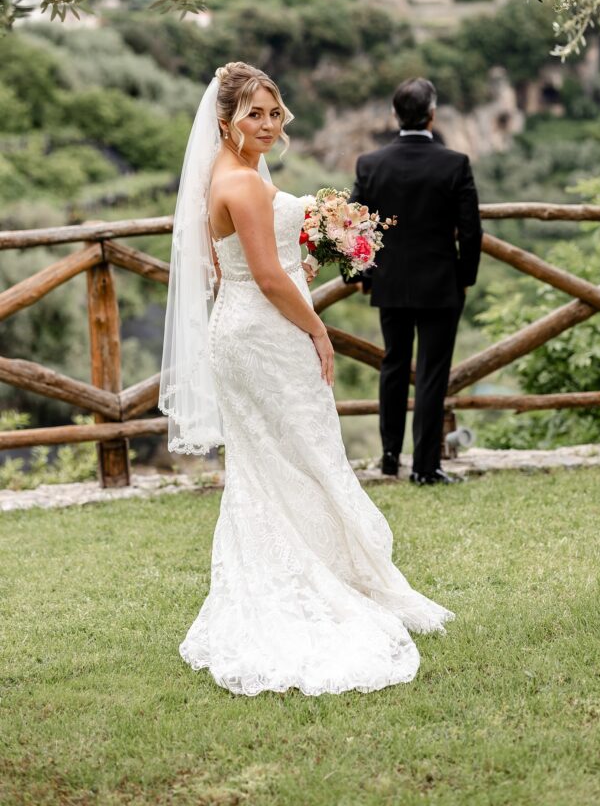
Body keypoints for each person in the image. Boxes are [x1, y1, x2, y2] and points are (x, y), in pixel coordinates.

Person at [158, 61, 453, 696]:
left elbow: (236, 261)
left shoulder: (224, 174)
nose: (268, 124)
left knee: (275, 461)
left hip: (239, 328)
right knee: (302, 452)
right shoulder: (244, 184)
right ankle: (313, 581)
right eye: (253, 115)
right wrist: (316, 328)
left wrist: (300, 262)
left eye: (273, 112)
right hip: (264, 333)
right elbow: (265, 278)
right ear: (226, 120)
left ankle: (310, 566)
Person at [348, 78, 482, 486]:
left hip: (390, 284)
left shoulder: (370, 164)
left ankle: (390, 456)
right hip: (441, 285)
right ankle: (425, 467)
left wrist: (363, 273)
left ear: (395, 115)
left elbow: (350, 224)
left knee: (392, 365)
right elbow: (472, 231)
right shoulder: (454, 163)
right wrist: (464, 279)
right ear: (432, 115)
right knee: (431, 374)